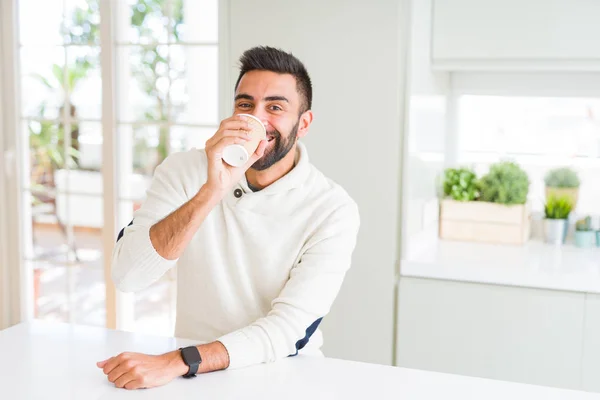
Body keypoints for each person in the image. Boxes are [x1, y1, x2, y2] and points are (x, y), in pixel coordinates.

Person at [97, 46, 360, 390]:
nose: (257, 118)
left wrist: (178, 361)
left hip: (283, 375)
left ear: (304, 123)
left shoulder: (333, 208)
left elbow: (288, 330)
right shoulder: (184, 170)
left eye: (275, 107)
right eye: (245, 104)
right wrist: (211, 191)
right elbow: (127, 276)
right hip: (192, 378)